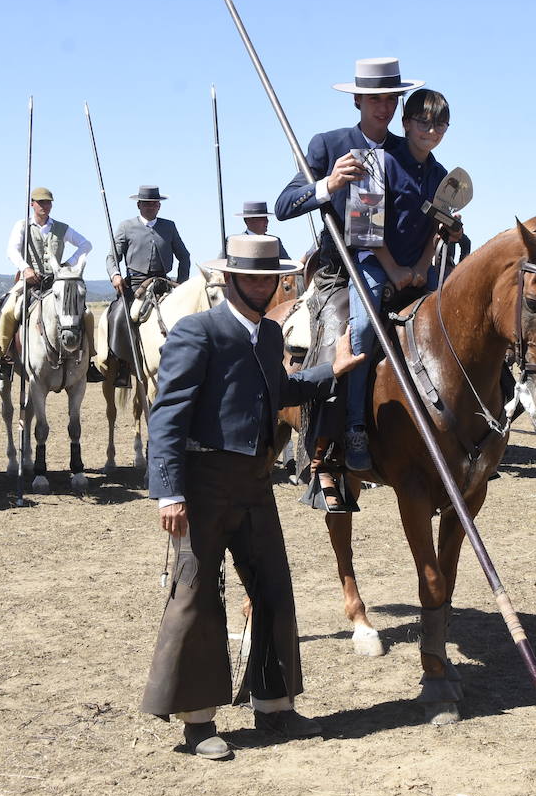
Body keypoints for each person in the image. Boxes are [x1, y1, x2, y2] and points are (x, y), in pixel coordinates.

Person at [142, 234, 364, 760]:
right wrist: (168, 492)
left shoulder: (268, 337)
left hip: (256, 483)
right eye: (254, 276)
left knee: (274, 590)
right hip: (201, 485)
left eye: (271, 277)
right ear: (230, 278)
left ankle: (274, 705)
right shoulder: (198, 332)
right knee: (196, 597)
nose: (264, 285)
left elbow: (279, 391)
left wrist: (330, 371)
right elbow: (167, 415)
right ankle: (197, 723)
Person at [343, 89, 457, 471]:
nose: (431, 130)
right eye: (423, 122)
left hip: (419, 265)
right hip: (374, 262)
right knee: (361, 329)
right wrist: (393, 270)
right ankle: (354, 425)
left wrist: (423, 266)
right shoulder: (375, 162)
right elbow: (363, 227)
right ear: (406, 123)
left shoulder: (443, 176)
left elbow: (436, 230)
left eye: (440, 124)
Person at [275, 57, 423, 284]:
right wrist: (329, 184)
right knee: (354, 322)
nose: (384, 108)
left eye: (391, 99)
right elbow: (283, 206)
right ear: (357, 99)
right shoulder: (328, 144)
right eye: (375, 98)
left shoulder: (409, 151)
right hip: (340, 276)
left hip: (402, 274)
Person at [0, 187, 97, 381]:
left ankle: (89, 359)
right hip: (30, 281)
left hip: (57, 283)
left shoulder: (61, 228)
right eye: (40, 202)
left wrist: (68, 264)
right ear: (32, 204)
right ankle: (5, 358)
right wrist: (25, 268)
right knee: (9, 310)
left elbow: (86, 245)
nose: (44, 206)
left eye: (48, 202)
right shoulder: (22, 225)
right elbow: (12, 250)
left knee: (87, 314)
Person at [104, 185, 190, 387]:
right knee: (120, 317)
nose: (152, 207)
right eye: (148, 203)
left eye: (155, 203)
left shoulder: (169, 226)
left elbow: (184, 256)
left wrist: (182, 283)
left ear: (159, 206)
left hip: (163, 283)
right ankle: (122, 364)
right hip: (134, 285)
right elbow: (112, 257)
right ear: (139, 205)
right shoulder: (126, 227)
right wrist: (115, 275)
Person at [219, 201, 289, 259]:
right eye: (262, 218)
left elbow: (288, 265)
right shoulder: (233, 242)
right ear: (248, 220)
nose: (267, 221)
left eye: (266, 218)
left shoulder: (275, 241)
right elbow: (219, 267)